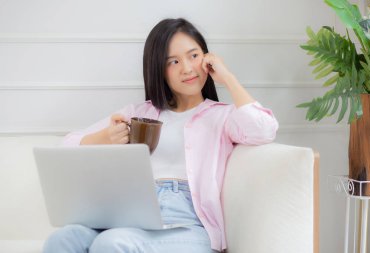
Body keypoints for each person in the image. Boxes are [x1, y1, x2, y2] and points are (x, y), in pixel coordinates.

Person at [43, 18, 278, 253]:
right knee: (63, 239)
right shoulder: (138, 113)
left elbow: (264, 129)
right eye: (173, 61)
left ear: (207, 59)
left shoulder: (223, 116)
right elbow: (67, 145)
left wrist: (227, 77)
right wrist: (105, 137)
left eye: (194, 56)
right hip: (129, 216)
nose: (187, 68)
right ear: (159, 69)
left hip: (189, 225)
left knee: (112, 243)